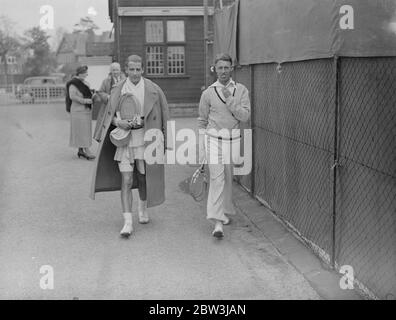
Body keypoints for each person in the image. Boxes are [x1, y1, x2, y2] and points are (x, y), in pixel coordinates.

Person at [90, 54, 172, 238]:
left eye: (138, 69)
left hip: (146, 139)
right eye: (131, 69)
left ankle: (142, 208)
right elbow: (109, 114)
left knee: (143, 178)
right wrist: (119, 123)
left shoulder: (153, 89)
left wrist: (168, 141)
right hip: (124, 140)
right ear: (126, 70)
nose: (135, 73)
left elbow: (165, 114)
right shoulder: (117, 89)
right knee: (126, 180)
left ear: (142, 69)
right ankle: (127, 221)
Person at [198, 53, 251, 239]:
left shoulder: (241, 90)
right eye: (219, 67)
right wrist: (201, 147)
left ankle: (224, 212)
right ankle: (217, 222)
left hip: (232, 141)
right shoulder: (208, 93)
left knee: (228, 180)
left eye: (226, 67)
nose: (223, 71)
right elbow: (202, 121)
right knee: (217, 179)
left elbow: (244, 116)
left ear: (232, 69)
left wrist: (230, 99)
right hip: (213, 140)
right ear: (215, 69)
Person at [67, 65, 95, 160]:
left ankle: (80, 151)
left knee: (84, 130)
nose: (87, 74)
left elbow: (86, 93)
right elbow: (72, 96)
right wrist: (85, 101)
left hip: (86, 110)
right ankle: (87, 150)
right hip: (78, 111)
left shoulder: (85, 83)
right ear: (81, 73)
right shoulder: (73, 84)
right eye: (85, 73)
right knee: (81, 130)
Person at [93, 62, 126, 132]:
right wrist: (107, 97)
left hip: (122, 107)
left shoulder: (125, 80)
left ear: (120, 70)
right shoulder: (106, 81)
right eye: (113, 70)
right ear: (111, 71)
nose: (115, 72)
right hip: (108, 108)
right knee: (107, 127)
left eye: (117, 70)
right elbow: (100, 92)